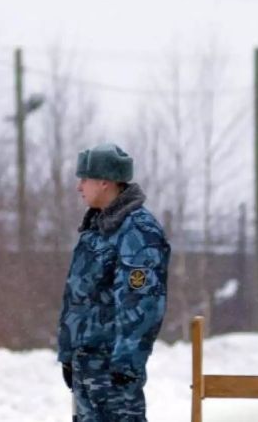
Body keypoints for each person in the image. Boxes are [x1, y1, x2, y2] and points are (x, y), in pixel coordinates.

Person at [57, 143, 171, 421]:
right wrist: (69, 353)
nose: (79, 187)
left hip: (113, 371)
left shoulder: (137, 231)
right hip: (88, 369)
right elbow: (81, 299)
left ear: (105, 181)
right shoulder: (97, 228)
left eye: (84, 179)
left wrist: (126, 363)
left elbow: (142, 302)